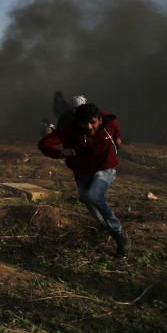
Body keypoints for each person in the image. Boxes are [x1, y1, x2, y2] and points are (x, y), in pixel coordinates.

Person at [38, 103, 130, 257]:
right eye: (84, 123)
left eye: (92, 122)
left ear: (99, 120)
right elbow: (44, 143)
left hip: (105, 168)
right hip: (82, 171)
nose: (89, 126)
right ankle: (113, 234)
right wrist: (60, 153)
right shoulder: (71, 130)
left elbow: (115, 125)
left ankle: (119, 232)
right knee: (90, 203)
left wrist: (117, 137)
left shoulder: (110, 123)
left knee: (93, 195)